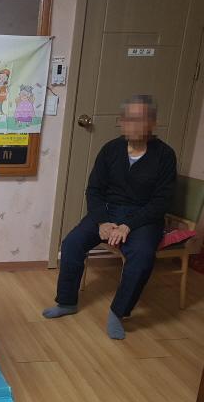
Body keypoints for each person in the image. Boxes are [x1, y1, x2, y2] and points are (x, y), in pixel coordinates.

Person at [42, 95, 177, 339]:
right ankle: (67, 302)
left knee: (142, 256)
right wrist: (102, 221)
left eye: (141, 119)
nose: (134, 124)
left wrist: (128, 225)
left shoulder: (165, 155)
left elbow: (161, 202)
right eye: (129, 119)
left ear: (152, 123)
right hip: (108, 211)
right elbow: (94, 190)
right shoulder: (110, 150)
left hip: (144, 218)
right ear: (121, 122)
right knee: (72, 243)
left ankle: (118, 312)